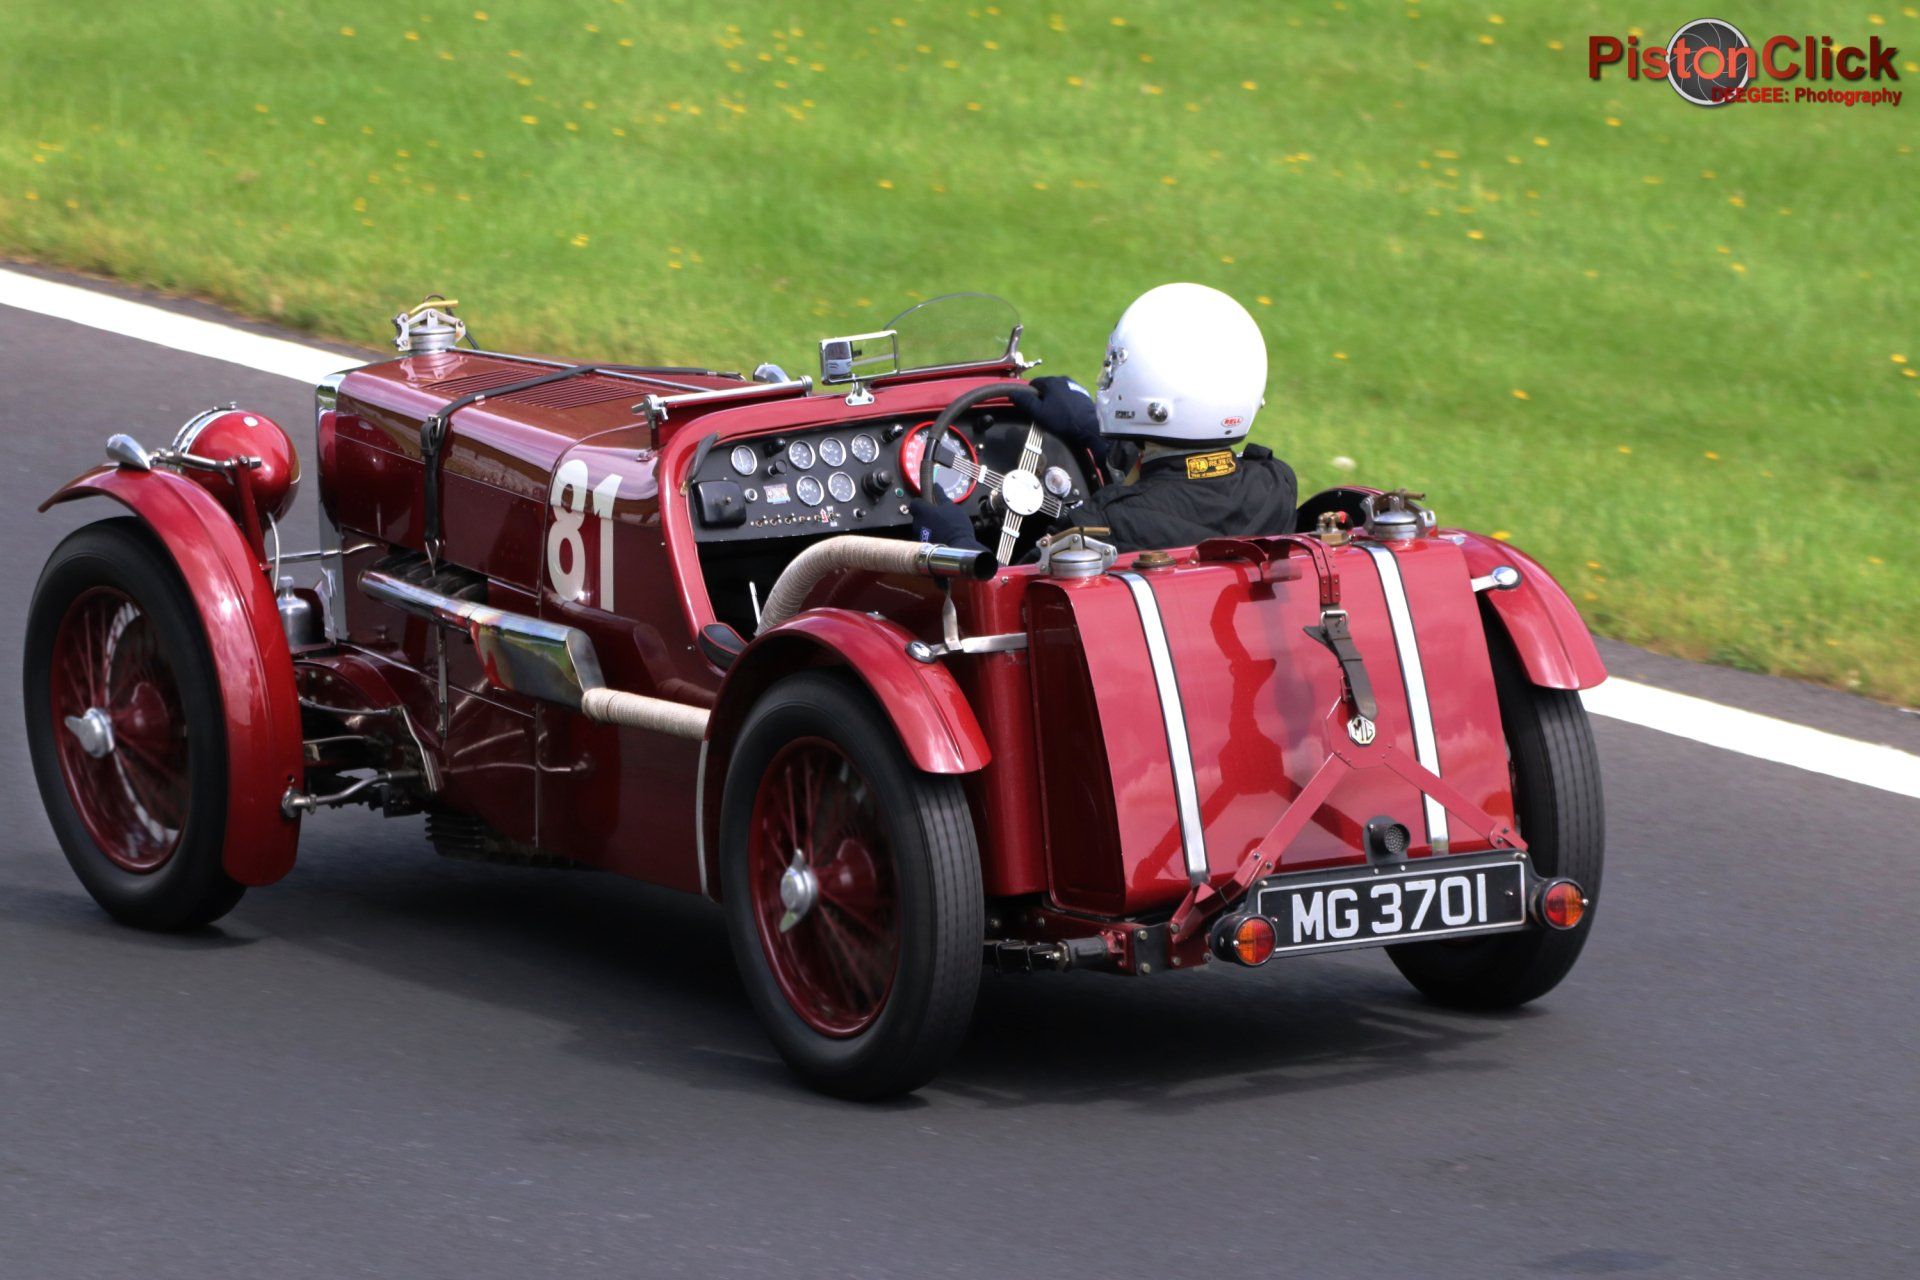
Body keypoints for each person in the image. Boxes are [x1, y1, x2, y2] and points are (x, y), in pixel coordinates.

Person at [911, 283, 1296, 555]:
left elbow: (1002, 608)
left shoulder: (1097, 529)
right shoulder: (1276, 485)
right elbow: (1185, 482)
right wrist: (1098, 435)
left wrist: (955, 545)